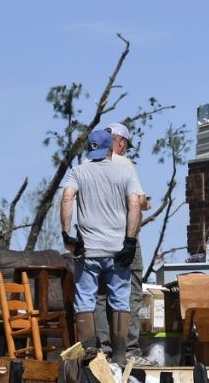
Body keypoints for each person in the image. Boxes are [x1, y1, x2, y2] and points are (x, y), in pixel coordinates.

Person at [61, 129, 142, 367]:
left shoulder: (78, 171)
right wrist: (130, 240)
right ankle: (119, 356)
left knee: (85, 299)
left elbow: (67, 198)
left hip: (88, 249)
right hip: (118, 249)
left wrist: (67, 235)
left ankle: (90, 355)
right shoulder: (124, 172)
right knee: (119, 299)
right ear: (110, 148)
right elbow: (135, 203)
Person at [91, 122, 152, 366]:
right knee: (130, 293)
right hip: (124, 238)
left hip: (96, 239)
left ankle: (102, 352)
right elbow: (138, 201)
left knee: (101, 295)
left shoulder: (88, 167)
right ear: (121, 142)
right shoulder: (124, 164)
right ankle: (128, 352)